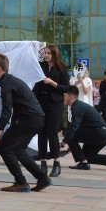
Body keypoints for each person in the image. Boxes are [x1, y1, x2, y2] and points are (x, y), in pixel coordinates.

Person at [0, 53, 51, 193]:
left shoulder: (6, 85)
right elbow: (17, 107)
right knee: (18, 149)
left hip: (29, 119)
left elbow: (6, 112)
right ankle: (42, 178)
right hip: (36, 119)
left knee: (4, 147)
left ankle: (21, 182)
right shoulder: (11, 81)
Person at [60, 86, 106, 171]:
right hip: (103, 134)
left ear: (71, 97)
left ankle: (83, 163)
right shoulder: (79, 105)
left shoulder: (77, 107)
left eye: (65, 96)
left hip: (99, 132)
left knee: (71, 134)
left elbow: (73, 128)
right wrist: (72, 146)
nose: (63, 98)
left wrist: (64, 143)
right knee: (87, 156)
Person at [33, 45, 69, 177]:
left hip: (55, 104)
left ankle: (56, 163)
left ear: (54, 54)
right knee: (41, 132)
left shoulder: (62, 68)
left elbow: (66, 88)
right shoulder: (41, 66)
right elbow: (36, 83)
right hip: (41, 102)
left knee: (52, 133)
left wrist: (52, 83)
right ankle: (43, 163)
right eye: (45, 53)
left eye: (49, 53)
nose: (46, 55)